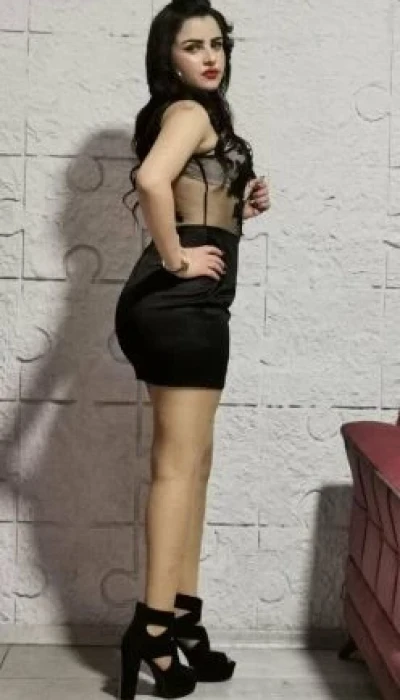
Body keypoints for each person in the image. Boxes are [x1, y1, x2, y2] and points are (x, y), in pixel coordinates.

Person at [114, 0, 270, 697]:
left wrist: (242, 200)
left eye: (217, 44)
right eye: (193, 46)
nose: (210, 57)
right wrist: (177, 258)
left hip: (194, 309)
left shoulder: (201, 117)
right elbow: (152, 180)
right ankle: (150, 631)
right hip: (179, 308)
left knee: (194, 467)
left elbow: (186, 190)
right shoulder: (188, 112)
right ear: (168, 58)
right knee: (178, 469)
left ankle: (180, 618)